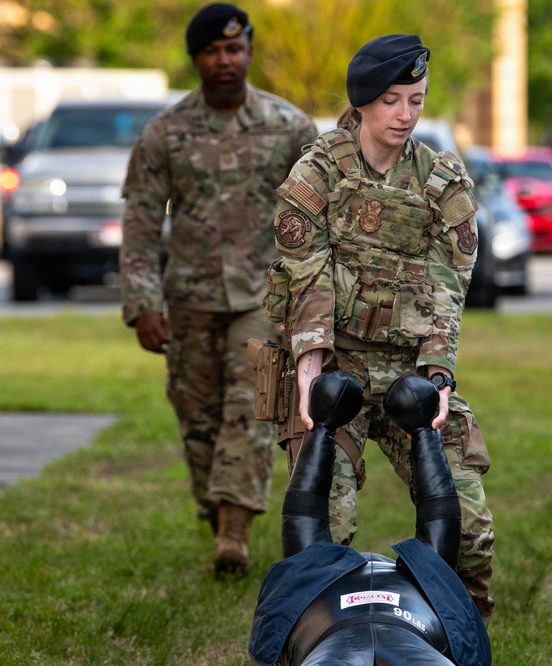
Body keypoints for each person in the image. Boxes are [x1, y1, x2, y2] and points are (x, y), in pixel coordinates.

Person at [265, 34, 494, 622]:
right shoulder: (318, 173)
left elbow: (448, 287)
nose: (405, 114)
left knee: (467, 524)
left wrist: (437, 376)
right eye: (391, 100)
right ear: (363, 101)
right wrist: (310, 369)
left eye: (416, 100)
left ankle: (459, 633)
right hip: (334, 370)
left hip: (408, 373)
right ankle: (320, 636)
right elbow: (306, 277)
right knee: (324, 527)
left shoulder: (442, 181)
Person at [120, 2, 317, 577]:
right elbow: (139, 224)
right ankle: (218, 517)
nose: (224, 60)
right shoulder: (165, 134)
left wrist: (310, 299)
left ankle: (234, 534)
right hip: (189, 299)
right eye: (212, 51)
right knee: (198, 419)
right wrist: (143, 304)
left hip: (262, 299)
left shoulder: (290, 127)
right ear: (195, 59)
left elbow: (319, 219)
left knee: (251, 407)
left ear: (249, 51)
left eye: (234, 49)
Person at [248, 373, 491, 666]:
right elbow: (441, 517)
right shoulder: (432, 583)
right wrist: (424, 431)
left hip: (342, 632)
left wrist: (321, 425)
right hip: (402, 627)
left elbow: (303, 516)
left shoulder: (312, 578)